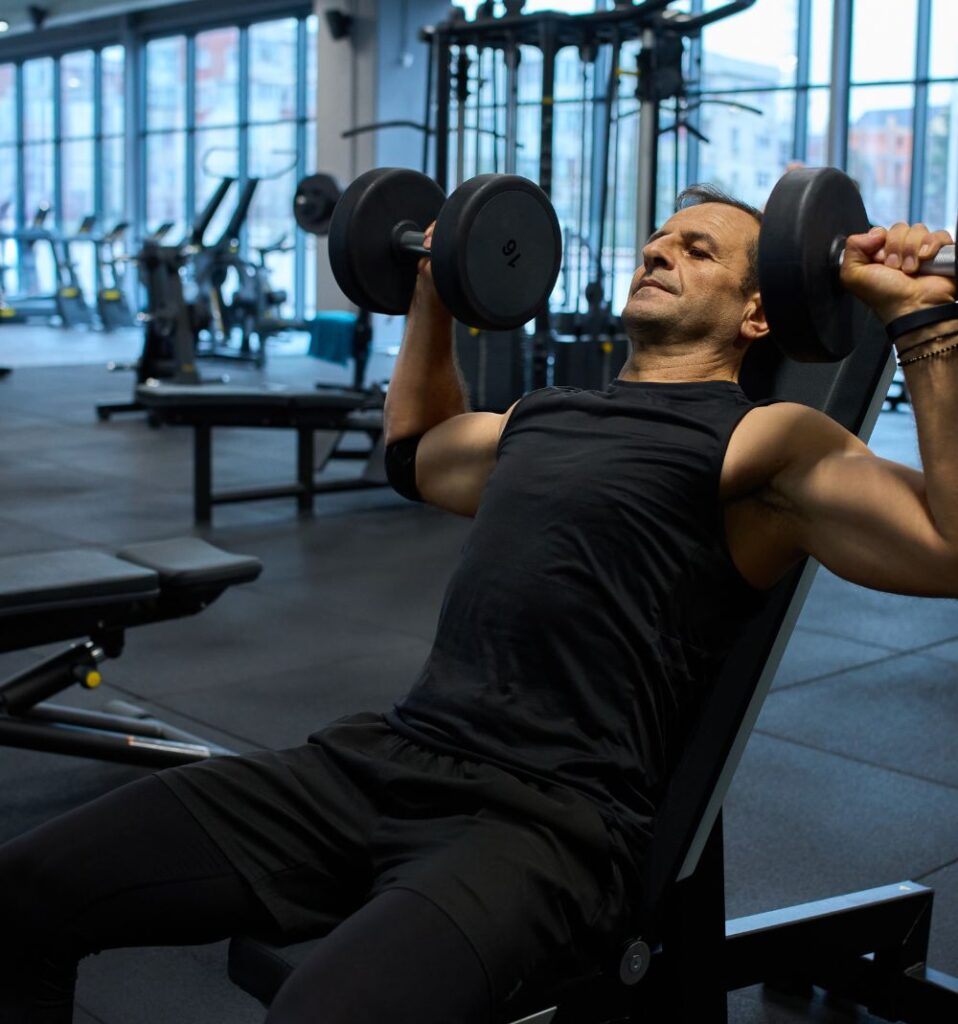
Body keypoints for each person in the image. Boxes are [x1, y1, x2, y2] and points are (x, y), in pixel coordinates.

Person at [1, 181, 956, 1024]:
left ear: (757, 314)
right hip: (381, 761)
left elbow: (948, 547)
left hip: (542, 826)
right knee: (28, 889)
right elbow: (414, 453)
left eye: (697, 248)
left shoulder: (768, 440)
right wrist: (433, 288)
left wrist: (922, 323)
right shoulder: (544, 415)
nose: (660, 251)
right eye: (658, 239)